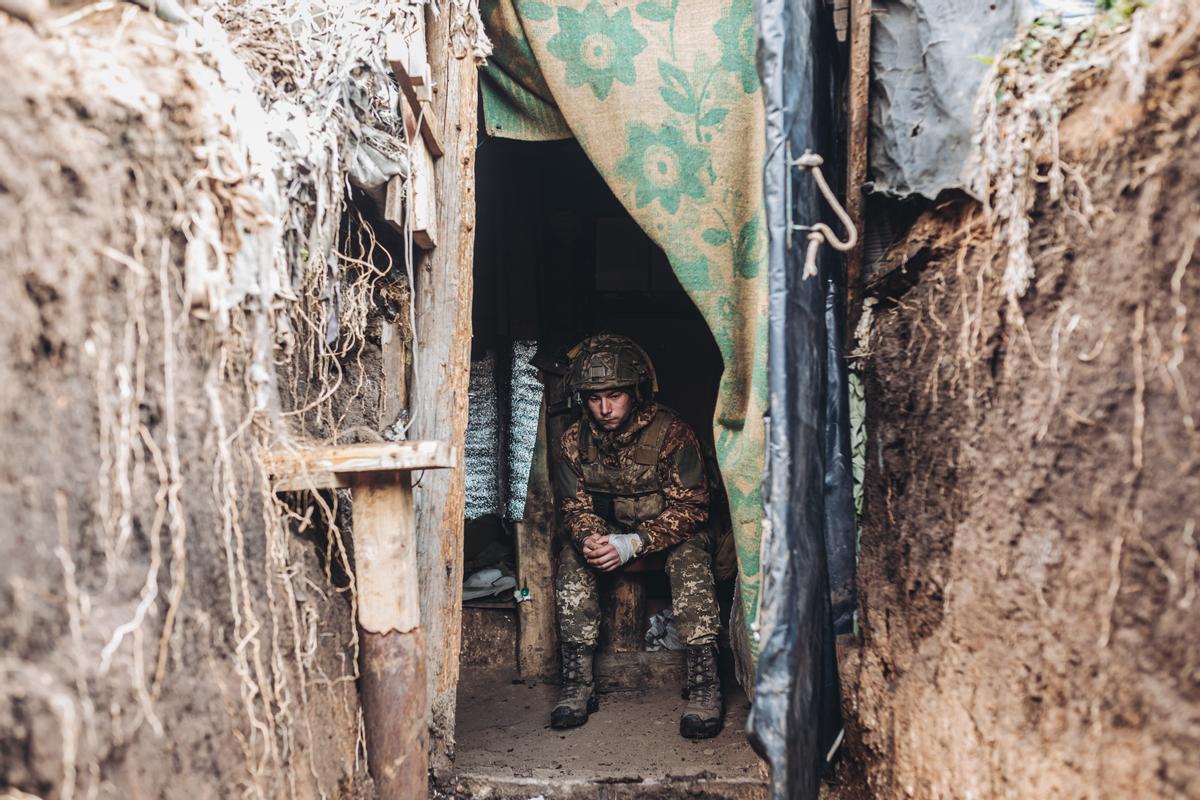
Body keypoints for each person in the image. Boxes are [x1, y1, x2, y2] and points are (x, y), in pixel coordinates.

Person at [550, 333, 723, 739]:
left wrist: (635, 543)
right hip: (612, 537)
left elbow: (694, 508)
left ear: (636, 392)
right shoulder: (575, 440)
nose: (605, 408)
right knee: (572, 559)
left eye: (614, 395)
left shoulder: (672, 433)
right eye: (594, 398)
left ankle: (704, 688)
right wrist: (594, 539)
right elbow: (574, 507)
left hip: (671, 537)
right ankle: (578, 684)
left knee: (691, 561)